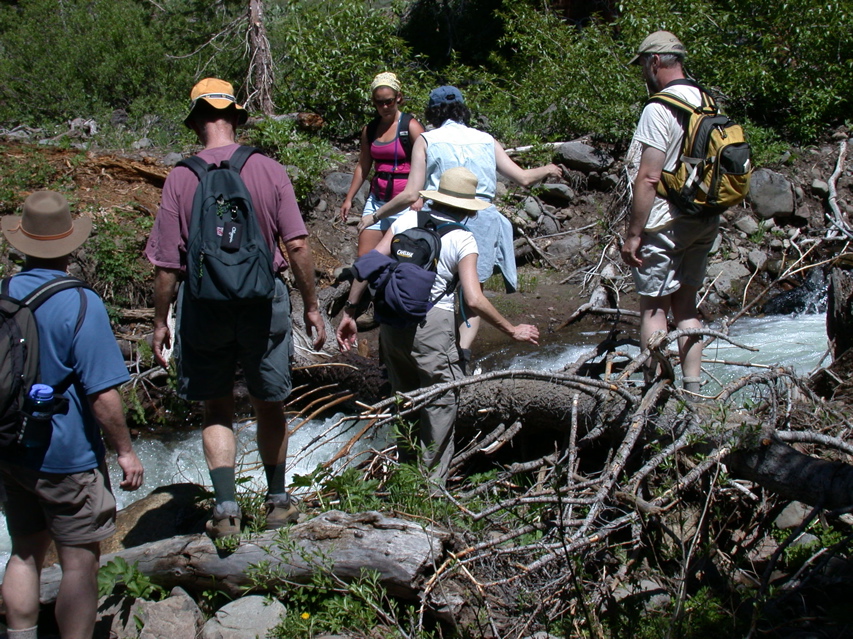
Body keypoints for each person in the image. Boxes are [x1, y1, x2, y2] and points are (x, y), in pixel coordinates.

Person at [145, 78, 326, 538]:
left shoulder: (181, 177)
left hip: (203, 307)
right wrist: (311, 305)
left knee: (216, 407)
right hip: (263, 302)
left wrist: (160, 321)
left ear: (196, 122)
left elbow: (167, 265)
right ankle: (278, 501)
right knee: (270, 402)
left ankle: (226, 509)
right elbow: (299, 245)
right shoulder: (269, 169)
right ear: (236, 118)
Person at [0, 191, 144, 639]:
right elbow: (102, 395)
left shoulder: (4, 292)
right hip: (66, 455)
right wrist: (125, 452)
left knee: (24, 550)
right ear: (68, 245)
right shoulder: (82, 303)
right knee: (79, 562)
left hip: (10, 444)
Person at [337, 167, 539, 481]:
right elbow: (473, 299)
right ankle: (429, 490)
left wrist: (349, 312)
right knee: (440, 406)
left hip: (391, 323)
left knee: (404, 401)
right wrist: (512, 329)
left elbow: (369, 264)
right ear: (468, 209)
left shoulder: (405, 220)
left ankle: (403, 478)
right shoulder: (463, 238)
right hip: (433, 327)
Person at [363, 85, 561, 372]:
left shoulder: (428, 139)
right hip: (481, 219)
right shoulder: (485, 139)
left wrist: (375, 216)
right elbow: (523, 178)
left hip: (439, 220)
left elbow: (410, 193)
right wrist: (548, 168)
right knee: (472, 295)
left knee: (433, 285)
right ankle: (462, 356)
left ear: (433, 112)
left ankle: (419, 348)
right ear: (462, 109)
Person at [620, 31, 718, 394]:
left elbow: (648, 177)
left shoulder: (659, 108)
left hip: (664, 220)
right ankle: (693, 393)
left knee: (654, 309)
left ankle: (654, 392)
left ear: (655, 62)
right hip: (704, 217)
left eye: (644, 65)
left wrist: (634, 234)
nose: (644, 72)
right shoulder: (707, 101)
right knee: (687, 307)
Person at [340, 72, 425, 257]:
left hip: (406, 203)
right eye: (380, 102)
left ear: (398, 98)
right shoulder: (370, 130)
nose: (385, 107)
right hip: (377, 200)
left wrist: (420, 197)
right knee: (365, 256)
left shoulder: (410, 127)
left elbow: (429, 163)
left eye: (389, 101)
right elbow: (363, 166)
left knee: (403, 256)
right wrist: (349, 198)